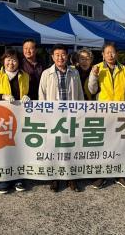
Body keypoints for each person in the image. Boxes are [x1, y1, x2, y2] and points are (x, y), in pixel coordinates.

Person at [87, 42, 125, 190]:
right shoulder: (97, 68)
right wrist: (94, 75)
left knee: (120, 144)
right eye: (107, 52)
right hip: (103, 113)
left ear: (117, 54)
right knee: (103, 144)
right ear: (102, 54)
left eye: (113, 52)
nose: (110, 55)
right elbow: (91, 90)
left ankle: (120, 175)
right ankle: (101, 174)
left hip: (121, 113)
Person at [0, 48, 30, 194]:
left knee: (19, 149)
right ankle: (4, 179)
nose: (11, 63)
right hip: (1, 120)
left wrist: (28, 96)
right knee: (3, 149)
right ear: (3, 61)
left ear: (19, 62)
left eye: (14, 60)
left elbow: (33, 92)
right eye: (8, 59)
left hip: (20, 118)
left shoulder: (25, 76)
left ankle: (19, 177)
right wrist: (2, 96)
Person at [38, 44, 83, 192]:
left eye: (63, 54)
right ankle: (55, 178)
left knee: (70, 147)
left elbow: (80, 94)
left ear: (67, 56)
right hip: (54, 117)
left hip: (71, 116)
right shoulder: (46, 73)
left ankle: (71, 178)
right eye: (57, 55)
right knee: (55, 148)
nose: (60, 57)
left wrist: (80, 113)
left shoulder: (74, 72)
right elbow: (42, 95)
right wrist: (45, 115)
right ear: (52, 57)